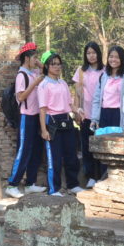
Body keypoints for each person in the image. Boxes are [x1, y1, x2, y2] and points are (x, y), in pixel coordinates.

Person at [38, 52, 84, 196]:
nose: (57, 67)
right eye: (53, 64)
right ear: (46, 66)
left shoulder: (63, 83)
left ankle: (73, 184)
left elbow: (69, 104)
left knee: (71, 155)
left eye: (59, 64)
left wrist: (78, 111)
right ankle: (54, 188)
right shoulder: (44, 85)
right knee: (55, 158)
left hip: (66, 120)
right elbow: (42, 109)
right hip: (52, 121)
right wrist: (43, 130)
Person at [5, 42, 46, 198]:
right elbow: (21, 97)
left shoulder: (33, 72)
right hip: (26, 116)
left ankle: (30, 183)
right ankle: (12, 184)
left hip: (36, 116)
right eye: (34, 57)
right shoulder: (21, 75)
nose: (36, 60)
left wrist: (38, 63)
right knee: (23, 151)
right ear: (27, 58)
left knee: (36, 150)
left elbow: (46, 71)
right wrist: (34, 84)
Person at [72, 42, 104, 188]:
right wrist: (77, 112)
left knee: (101, 146)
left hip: (101, 114)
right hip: (86, 114)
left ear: (99, 53)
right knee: (87, 147)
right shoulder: (81, 70)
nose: (91, 55)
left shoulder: (105, 70)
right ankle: (90, 176)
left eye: (94, 52)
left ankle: (102, 177)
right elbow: (77, 93)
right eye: (88, 53)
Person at [89, 46, 124, 132]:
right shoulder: (103, 76)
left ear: (122, 59)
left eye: (117, 57)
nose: (113, 59)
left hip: (119, 116)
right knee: (103, 143)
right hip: (103, 115)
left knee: (117, 144)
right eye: (111, 56)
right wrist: (95, 119)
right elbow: (96, 99)